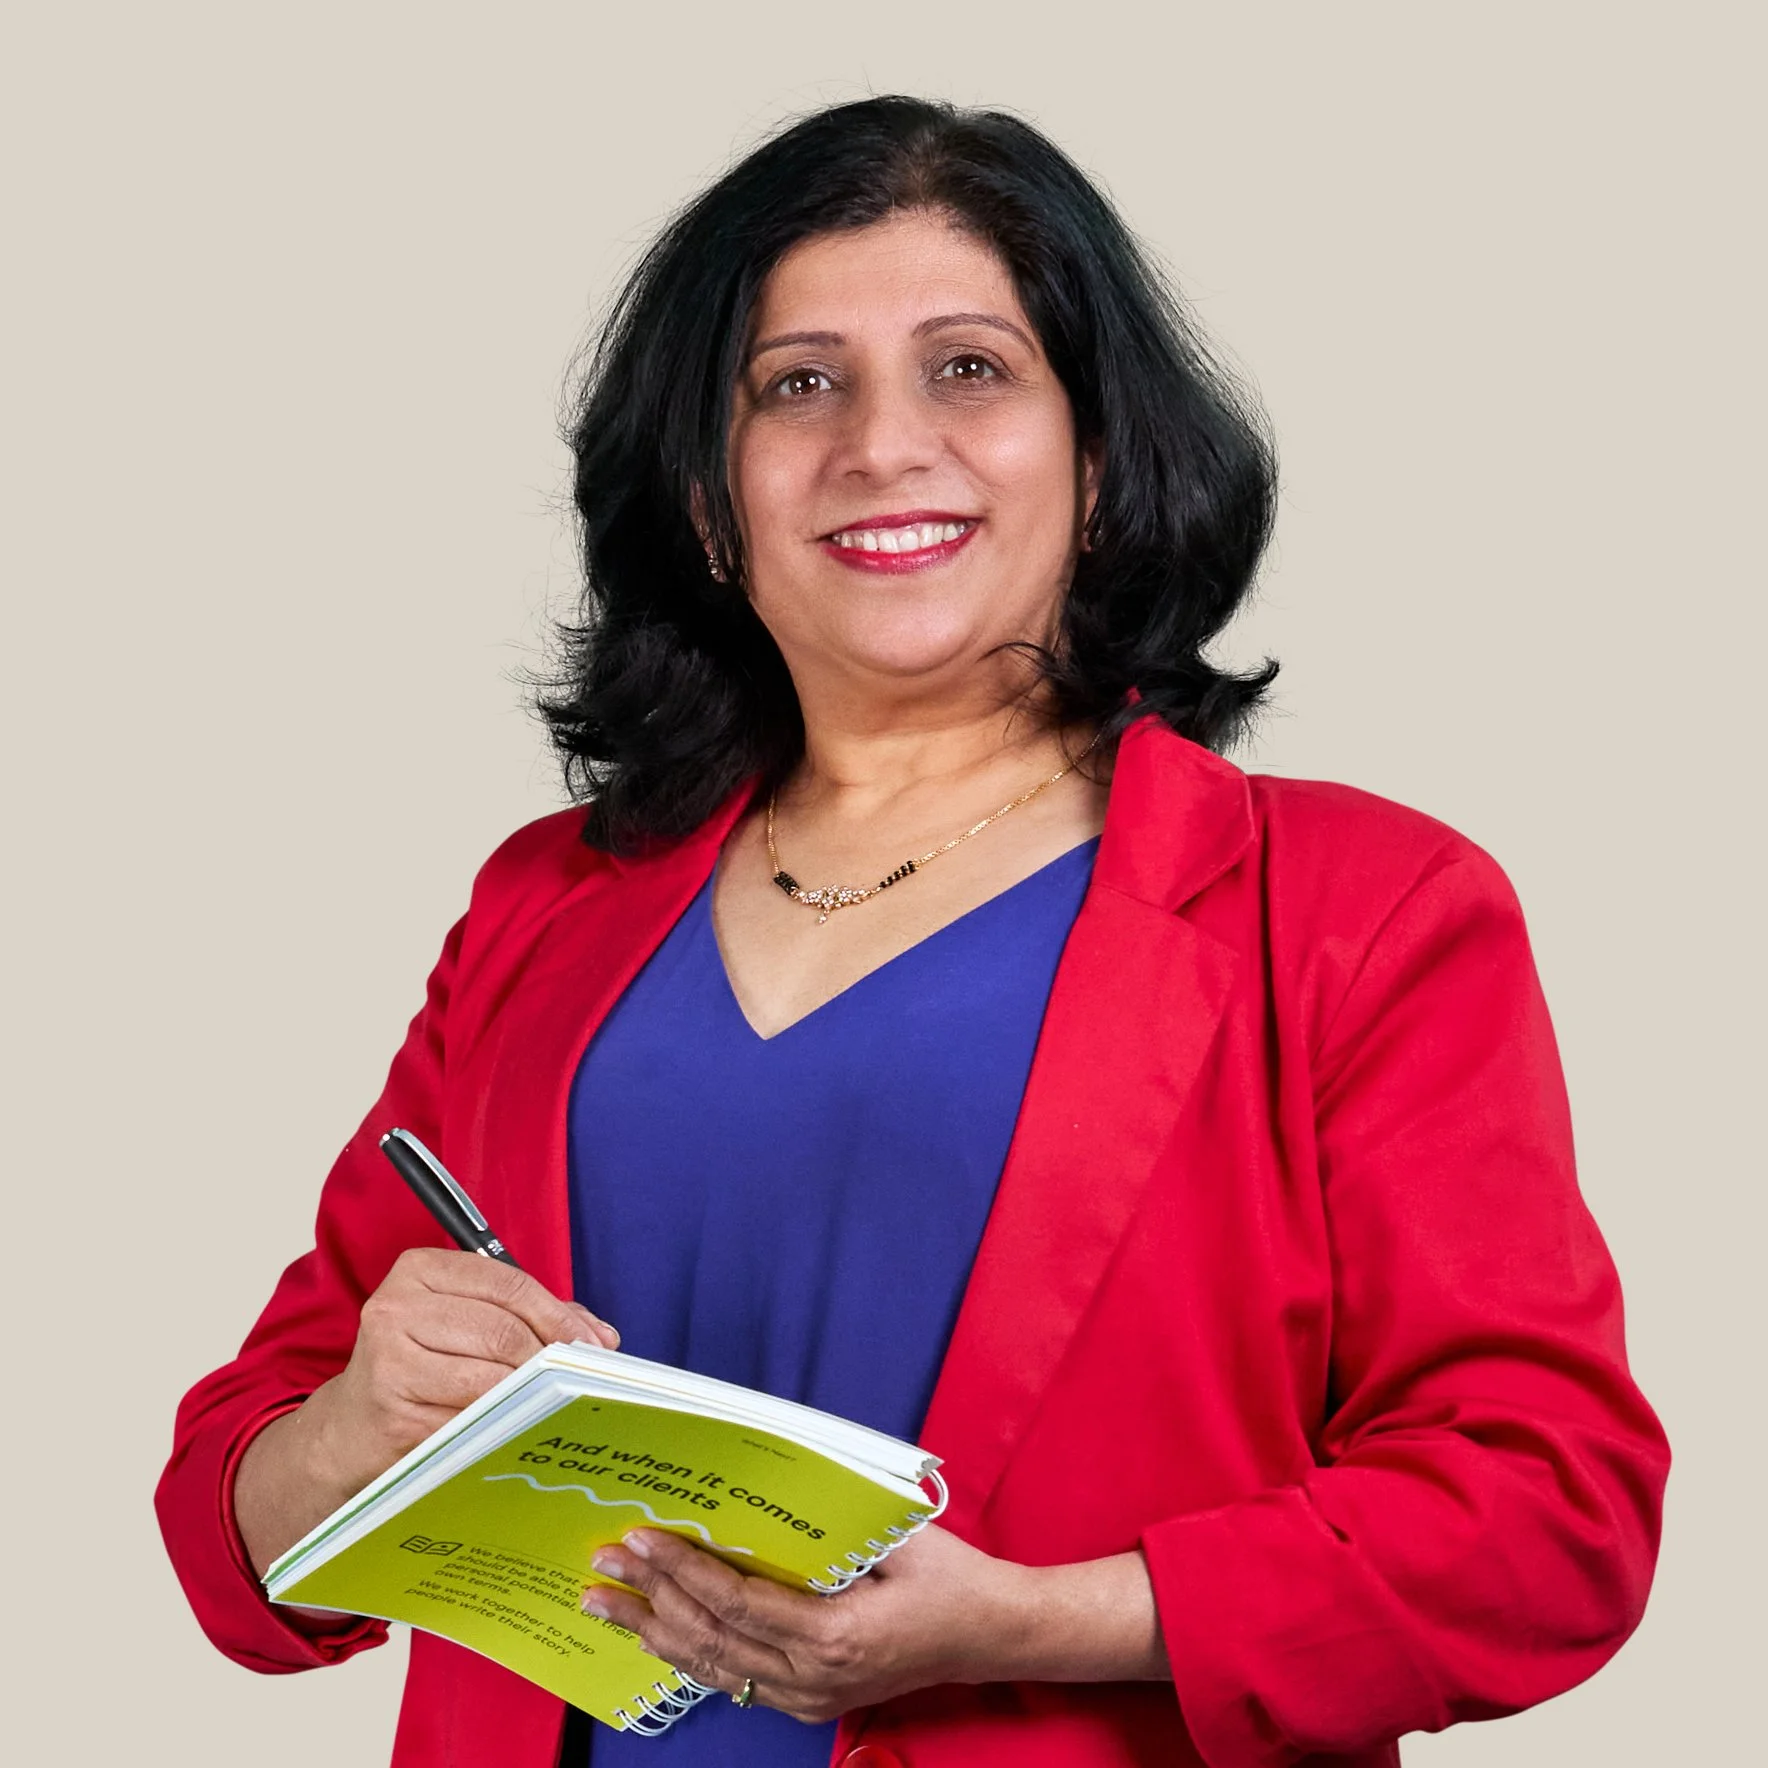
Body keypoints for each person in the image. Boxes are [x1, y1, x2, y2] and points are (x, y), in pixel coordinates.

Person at [156, 96, 1668, 1768]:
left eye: (970, 367)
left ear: (1101, 460)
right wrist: (362, 1428)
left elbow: (1550, 1520)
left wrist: (1034, 1619)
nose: (882, 444)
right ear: (711, 503)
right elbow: (236, 1531)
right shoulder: (548, 908)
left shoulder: (1358, 917)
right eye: (797, 384)